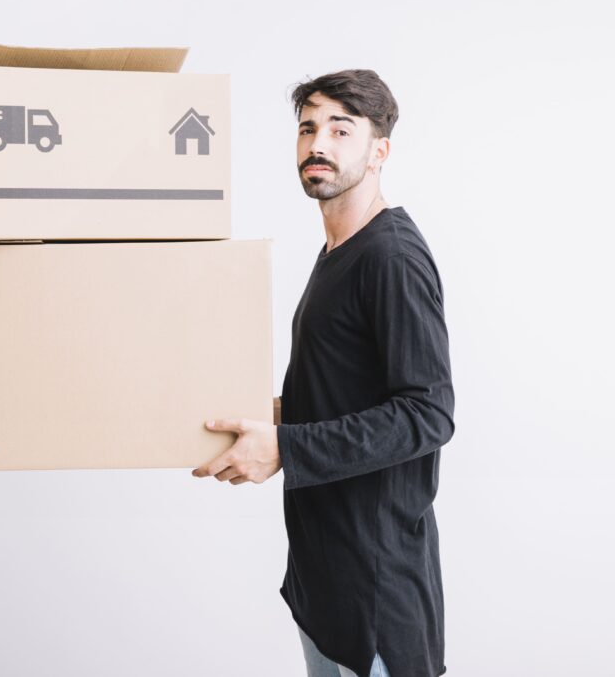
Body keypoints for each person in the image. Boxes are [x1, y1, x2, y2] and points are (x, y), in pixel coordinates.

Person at [193, 70, 455, 677]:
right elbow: (344, 386)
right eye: (308, 128)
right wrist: (265, 416)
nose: (320, 144)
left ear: (379, 149)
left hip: (375, 593)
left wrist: (284, 447)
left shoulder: (391, 257)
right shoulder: (340, 248)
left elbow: (428, 412)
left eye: (342, 129)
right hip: (326, 581)